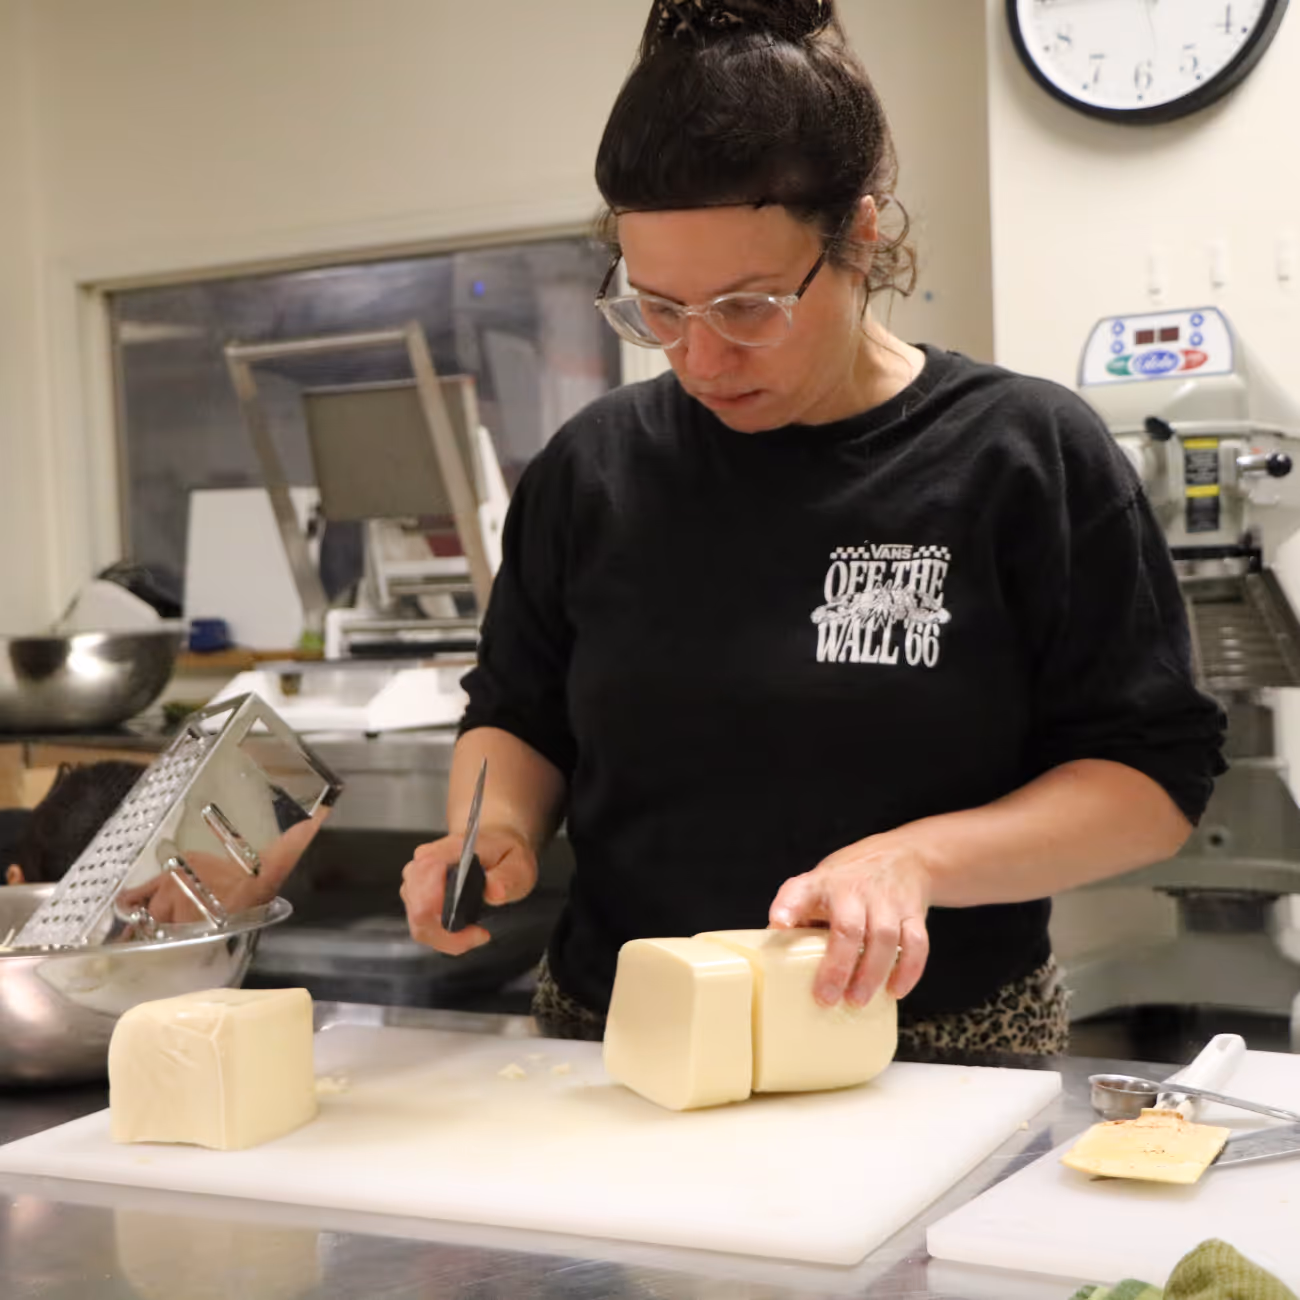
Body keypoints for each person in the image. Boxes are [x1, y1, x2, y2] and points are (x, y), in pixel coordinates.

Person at [400, 0, 1225, 1054]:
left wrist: (914, 860)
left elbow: (1150, 782)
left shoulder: (1020, 454)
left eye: (749, 307)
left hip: (930, 1045)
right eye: (660, 308)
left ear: (860, 237)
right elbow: (517, 713)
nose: (700, 359)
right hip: (623, 1038)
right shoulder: (592, 467)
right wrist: (495, 828)